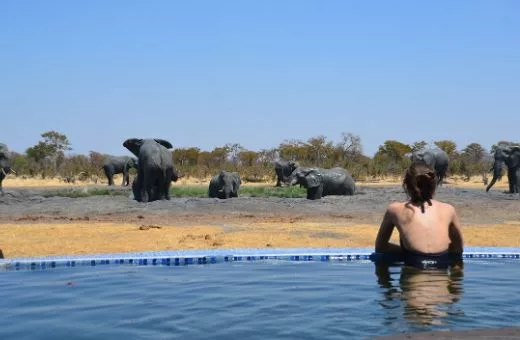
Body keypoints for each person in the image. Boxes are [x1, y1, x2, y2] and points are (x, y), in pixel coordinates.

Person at [375, 163, 464, 270]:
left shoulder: (394, 209)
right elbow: (458, 250)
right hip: (441, 270)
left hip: (413, 269)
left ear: (406, 185)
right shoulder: (449, 209)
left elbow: (380, 247)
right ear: (434, 185)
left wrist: (407, 250)